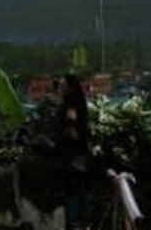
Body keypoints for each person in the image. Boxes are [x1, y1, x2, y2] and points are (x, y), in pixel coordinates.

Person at [58, 74, 91, 230]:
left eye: (63, 84)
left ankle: (75, 221)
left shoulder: (71, 101)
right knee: (81, 185)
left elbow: (71, 119)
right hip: (80, 148)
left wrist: (69, 133)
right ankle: (84, 219)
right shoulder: (80, 100)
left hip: (74, 151)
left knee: (74, 185)